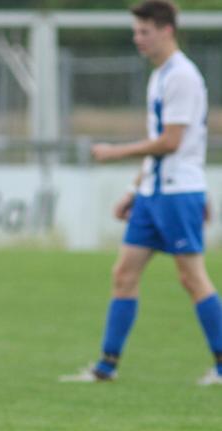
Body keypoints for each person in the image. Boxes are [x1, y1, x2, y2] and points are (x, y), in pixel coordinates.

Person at [62, 0, 222, 385]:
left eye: (144, 31)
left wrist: (115, 152)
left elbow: (170, 142)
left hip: (177, 193)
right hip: (154, 193)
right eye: (136, 31)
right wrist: (135, 189)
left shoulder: (182, 76)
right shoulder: (161, 74)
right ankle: (106, 366)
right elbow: (160, 144)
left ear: (166, 30)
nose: (138, 39)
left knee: (193, 278)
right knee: (124, 273)